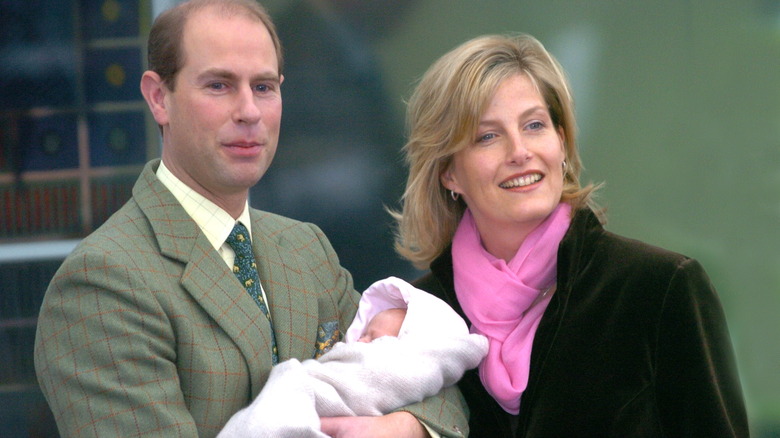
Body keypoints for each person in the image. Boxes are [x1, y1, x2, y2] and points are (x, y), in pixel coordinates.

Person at [32, 1, 468, 437]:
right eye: (219, 85)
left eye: (263, 87)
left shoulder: (306, 247)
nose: (249, 112)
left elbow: (435, 382)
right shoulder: (101, 283)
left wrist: (407, 429)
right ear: (159, 97)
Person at [392, 34, 750, 437]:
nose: (519, 151)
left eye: (534, 125)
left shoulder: (659, 288)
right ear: (448, 173)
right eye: (487, 136)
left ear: (561, 142)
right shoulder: (418, 318)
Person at [217, 277, 488, 437]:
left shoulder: (311, 247)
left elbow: (444, 387)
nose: (359, 341)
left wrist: (407, 427)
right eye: (365, 332)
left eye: (375, 337)